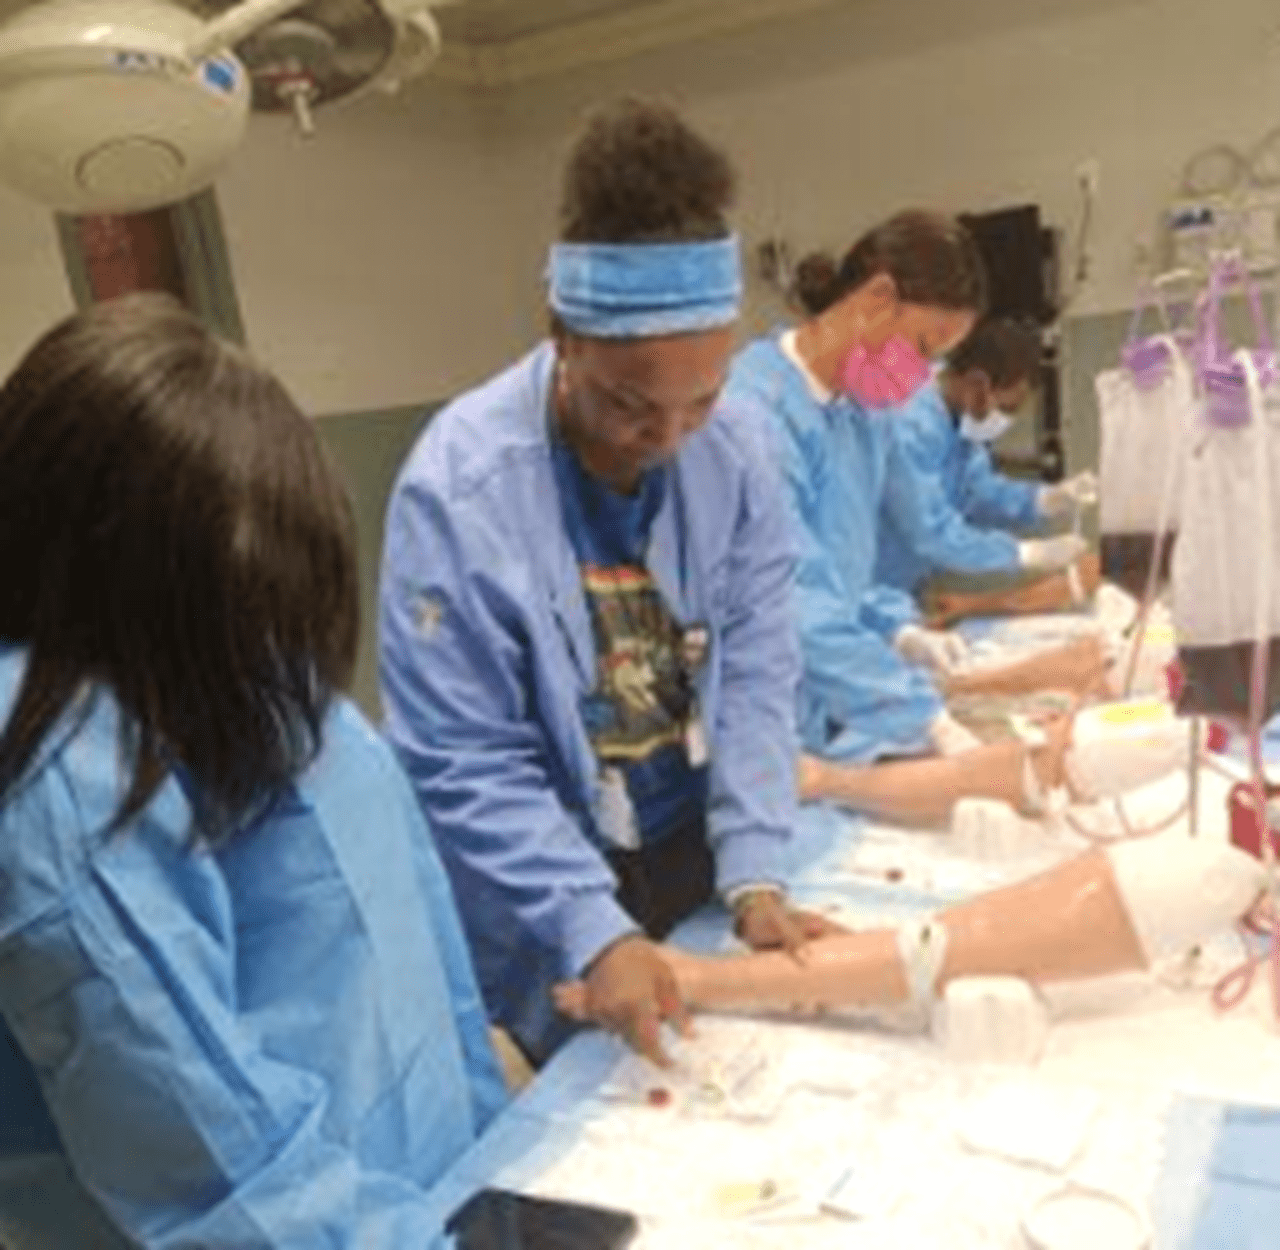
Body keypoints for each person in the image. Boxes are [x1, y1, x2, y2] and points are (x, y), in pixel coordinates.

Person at [0, 295, 506, 1250]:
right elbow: (215, 1168)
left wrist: (493, 1179)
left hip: (412, 1192)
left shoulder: (283, 698)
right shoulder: (51, 766)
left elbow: (429, 966)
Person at [380, 100, 841, 1071]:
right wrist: (593, 926)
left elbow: (756, 666)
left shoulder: (740, 448)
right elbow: (464, 758)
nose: (670, 434)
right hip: (546, 861)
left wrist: (754, 864)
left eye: (702, 397)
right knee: (609, 1108)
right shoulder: (458, 489)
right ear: (562, 336)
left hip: (689, 828)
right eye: (630, 403)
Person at [722, 212, 1111, 821]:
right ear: (877, 299)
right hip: (766, 703)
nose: (917, 380)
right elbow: (788, 594)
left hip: (829, 697)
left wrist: (893, 627)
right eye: (924, 351)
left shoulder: (861, 411)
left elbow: (848, 563)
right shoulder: (756, 412)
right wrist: (922, 716)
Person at [875, 316, 1097, 598]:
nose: (1007, 420)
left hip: (900, 586)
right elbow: (930, 532)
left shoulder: (959, 417)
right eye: (1007, 408)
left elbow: (976, 490)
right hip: (861, 586)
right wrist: (1024, 554)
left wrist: (1043, 500)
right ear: (978, 385)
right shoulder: (907, 423)